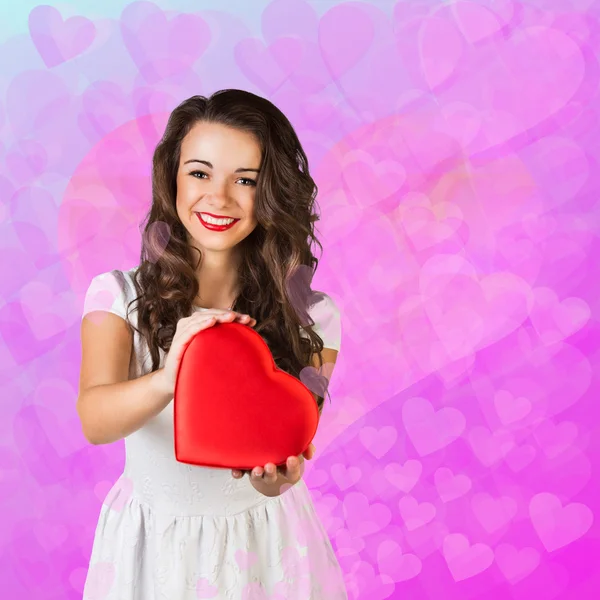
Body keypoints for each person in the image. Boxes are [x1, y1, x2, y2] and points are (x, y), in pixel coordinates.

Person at [78, 90, 347, 599]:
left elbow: (292, 440)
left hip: (266, 545)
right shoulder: (118, 296)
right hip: (153, 543)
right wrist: (169, 375)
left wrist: (275, 480)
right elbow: (95, 420)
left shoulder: (313, 316)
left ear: (271, 193)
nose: (219, 198)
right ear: (172, 178)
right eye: (199, 173)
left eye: (245, 180)